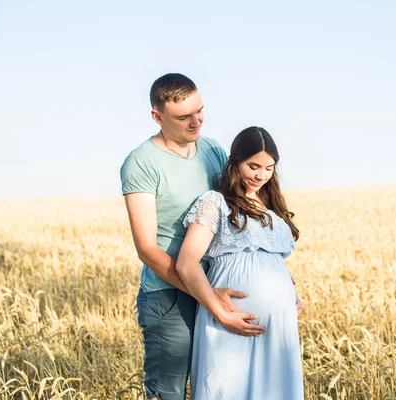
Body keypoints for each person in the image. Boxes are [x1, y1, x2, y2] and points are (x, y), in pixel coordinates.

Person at [120, 73, 263, 400]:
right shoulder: (141, 163)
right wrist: (210, 298)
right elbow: (146, 249)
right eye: (183, 117)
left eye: (199, 111)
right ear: (157, 117)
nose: (196, 121)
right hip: (168, 295)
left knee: (218, 385)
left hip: (218, 282)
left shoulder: (212, 149)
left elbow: (239, 211)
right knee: (166, 393)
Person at [176, 126, 305, 399]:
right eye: (253, 166)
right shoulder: (216, 203)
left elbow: (271, 258)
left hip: (279, 325)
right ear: (235, 163)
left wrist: (292, 292)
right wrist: (222, 314)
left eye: (269, 168)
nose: (261, 175)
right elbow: (187, 264)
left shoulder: (272, 210)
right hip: (229, 319)